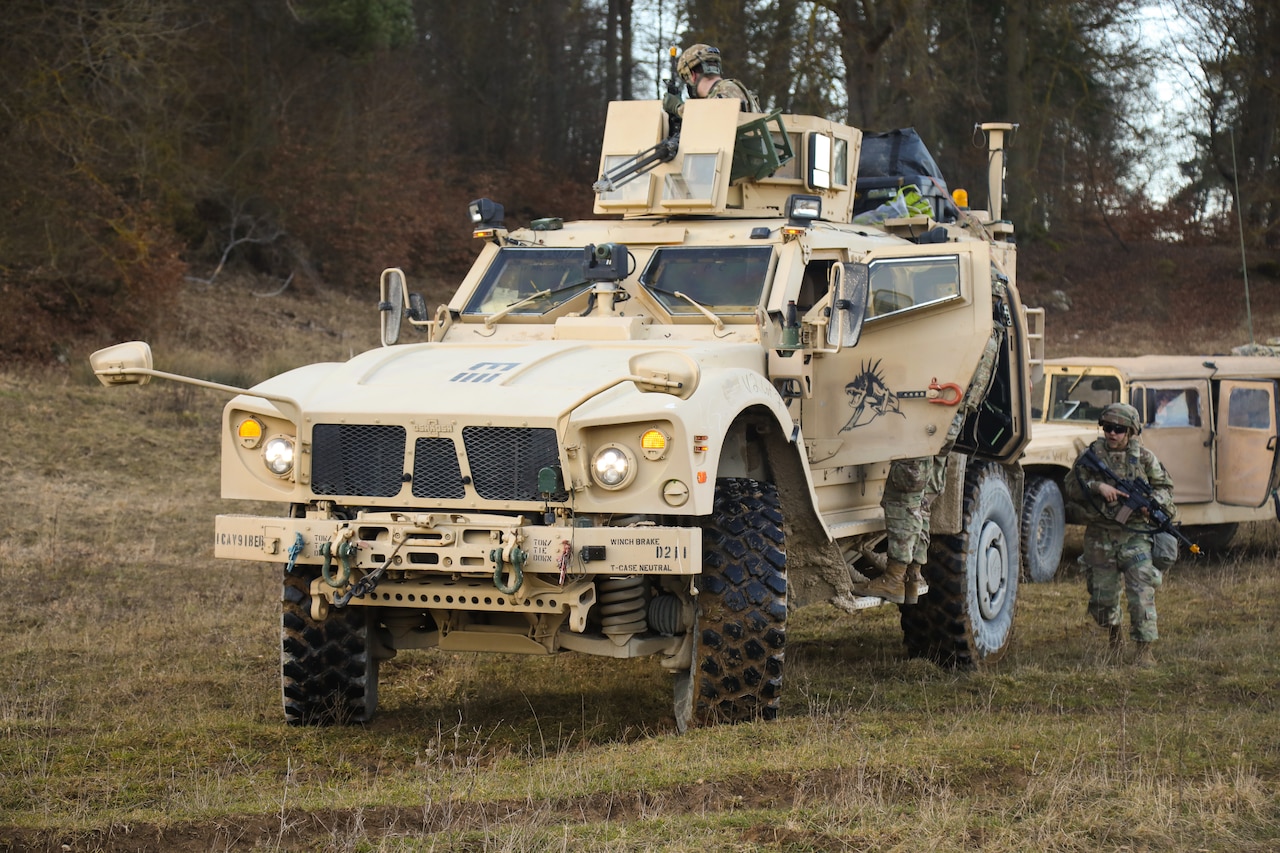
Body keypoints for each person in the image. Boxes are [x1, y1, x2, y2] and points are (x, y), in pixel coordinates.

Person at [1063, 402, 1176, 667]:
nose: (1112, 434)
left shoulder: (1145, 459)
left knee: (1141, 593)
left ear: (1131, 431)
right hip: (1100, 535)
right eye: (1108, 428)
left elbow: (1166, 489)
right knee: (1102, 596)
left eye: (1119, 429)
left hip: (1135, 536)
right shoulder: (1091, 456)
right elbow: (1071, 486)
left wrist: (1152, 504)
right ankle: (1115, 637)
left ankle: (1144, 651)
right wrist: (1096, 486)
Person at [663, 43, 760, 118]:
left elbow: (710, 117)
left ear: (692, 76)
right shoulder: (720, 93)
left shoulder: (729, 89)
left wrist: (678, 108)